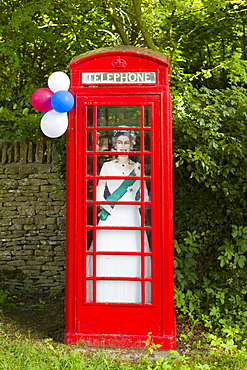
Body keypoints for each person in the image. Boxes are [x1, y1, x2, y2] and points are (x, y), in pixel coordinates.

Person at [87, 129, 151, 303]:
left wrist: (132, 207)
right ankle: (103, 299)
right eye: (120, 142)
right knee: (107, 259)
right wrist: (111, 210)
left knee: (133, 259)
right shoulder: (106, 167)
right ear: (115, 145)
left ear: (132, 145)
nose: (123, 146)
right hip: (111, 217)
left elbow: (145, 196)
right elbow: (99, 195)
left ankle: (134, 300)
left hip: (131, 219)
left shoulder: (138, 168)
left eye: (126, 143)